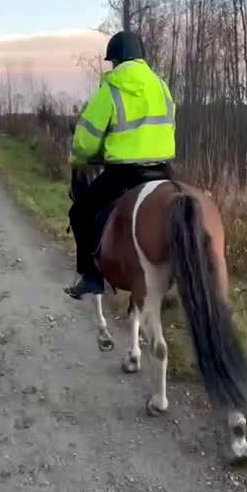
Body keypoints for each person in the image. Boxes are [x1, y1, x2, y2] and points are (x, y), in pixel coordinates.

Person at [65, 30, 176, 299]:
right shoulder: (160, 84)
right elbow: (170, 123)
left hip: (124, 174)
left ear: (115, 60)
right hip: (162, 170)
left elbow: (86, 139)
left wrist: (79, 158)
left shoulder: (112, 87)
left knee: (80, 212)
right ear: (141, 57)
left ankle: (90, 276)